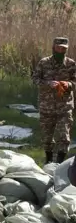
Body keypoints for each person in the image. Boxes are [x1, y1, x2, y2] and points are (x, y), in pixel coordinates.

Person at [32, 36, 76, 165]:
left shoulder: (71, 64)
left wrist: (68, 85)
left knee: (64, 135)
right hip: (47, 106)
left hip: (65, 106)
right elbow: (35, 79)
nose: (61, 51)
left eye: (63, 49)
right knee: (47, 136)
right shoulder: (44, 63)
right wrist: (47, 84)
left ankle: (60, 163)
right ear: (53, 47)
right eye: (58, 48)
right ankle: (49, 161)